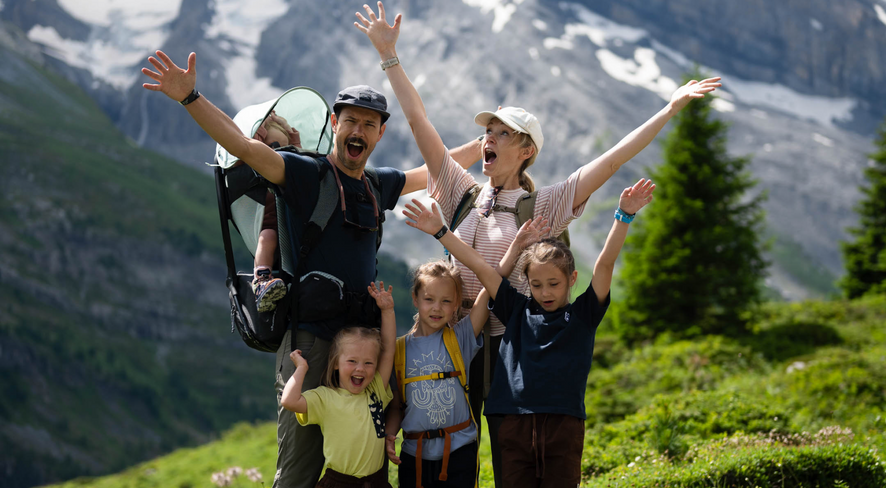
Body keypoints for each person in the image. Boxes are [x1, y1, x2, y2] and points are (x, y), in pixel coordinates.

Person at [354, 3, 719, 484]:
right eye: (488, 131)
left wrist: (669, 109)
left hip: (511, 345)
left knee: (510, 461)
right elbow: (420, 121)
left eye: (503, 134)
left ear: (527, 150)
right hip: (450, 339)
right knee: (443, 460)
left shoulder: (545, 204)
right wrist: (389, 56)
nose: (490, 139)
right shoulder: (458, 188)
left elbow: (610, 161)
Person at [141, 50, 481, 488]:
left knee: (365, 462)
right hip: (310, 341)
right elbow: (243, 147)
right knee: (301, 466)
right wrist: (191, 97)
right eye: (350, 121)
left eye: (369, 124)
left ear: (380, 133)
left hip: (363, 344)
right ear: (335, 125)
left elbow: (433, 171)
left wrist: (488, 145)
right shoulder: (305, 173)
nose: (358, 131)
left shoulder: (378, 184)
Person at [402, 178, 655, 488]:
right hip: (512, 422)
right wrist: (441, 231)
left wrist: (623, 216)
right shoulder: (517, 310)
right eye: (536, 285)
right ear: (527, 283)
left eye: (554, 284)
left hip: (563, 424)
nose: (545, 292)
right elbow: (481, 267)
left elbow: (605, 265)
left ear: (572, 278)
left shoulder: (583, 315)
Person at [281, 281, 397, 488]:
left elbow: (388, 350)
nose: (360, 369)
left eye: (368, 363)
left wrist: (387, 311)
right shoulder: (325, 398)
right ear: (335, 363)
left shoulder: (376, 390)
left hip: (376, 482)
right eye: (352, 361)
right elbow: (289, 401)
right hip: (339, 483)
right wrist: (301, 369)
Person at [251, 112, 303, 312]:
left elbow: (302, 160)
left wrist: (293, 139)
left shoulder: (294, 166)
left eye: (284, 149)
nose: (278, 155)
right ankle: (261, 280)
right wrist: (256, 139)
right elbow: (246, 153)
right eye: (272, 148)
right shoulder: (257, 167)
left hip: (296, 225)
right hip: (272, 225)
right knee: (267, 237)